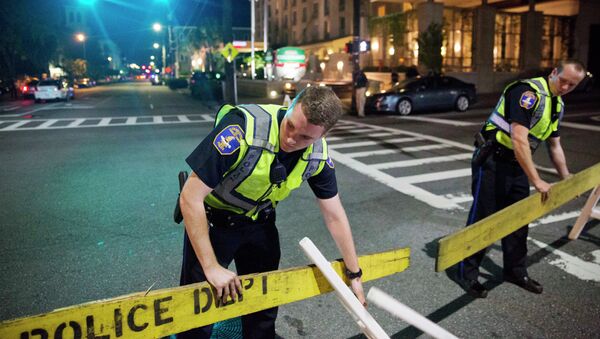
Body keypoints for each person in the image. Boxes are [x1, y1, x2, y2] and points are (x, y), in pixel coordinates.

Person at [177, 86, 366, 338]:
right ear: (289, 107)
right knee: (197, 311)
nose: (291, 139)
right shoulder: (242, 129)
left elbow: (334, 215)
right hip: (215, 224)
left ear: (321, 136)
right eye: (290, 125)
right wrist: (211, 267)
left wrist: (354, 273)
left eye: (305, 138)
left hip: (260, 225)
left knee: (263, 310)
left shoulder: (317, 155)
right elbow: (190, 197)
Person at [455, 60, 586, 298]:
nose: (566, 86)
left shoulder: (557, 104)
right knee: (484, 218)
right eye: (563, 80)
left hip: (516, 165)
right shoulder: (527, 93)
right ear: (553, 72)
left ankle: (515, 271)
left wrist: (567, 177)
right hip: (493, 160)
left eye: (573, 84)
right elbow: (519, 139)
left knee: (518, 220)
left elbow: (555, 145)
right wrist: (537, 180)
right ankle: (467, 273)